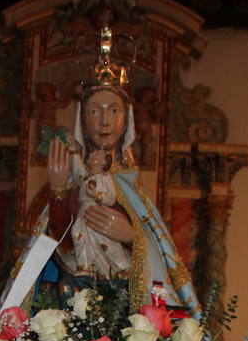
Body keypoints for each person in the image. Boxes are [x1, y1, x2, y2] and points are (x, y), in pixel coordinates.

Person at [32, 29, 202, 316]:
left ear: (127, 119)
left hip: (124, 308)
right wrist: (59, 189)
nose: (104, 121)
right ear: (81, 118)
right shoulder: (74, 178)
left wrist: (132, 236)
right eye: (94, 111)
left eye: (114, 110)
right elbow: (59, 246)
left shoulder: (132, 188)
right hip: (75, 299)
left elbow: (160, 256)